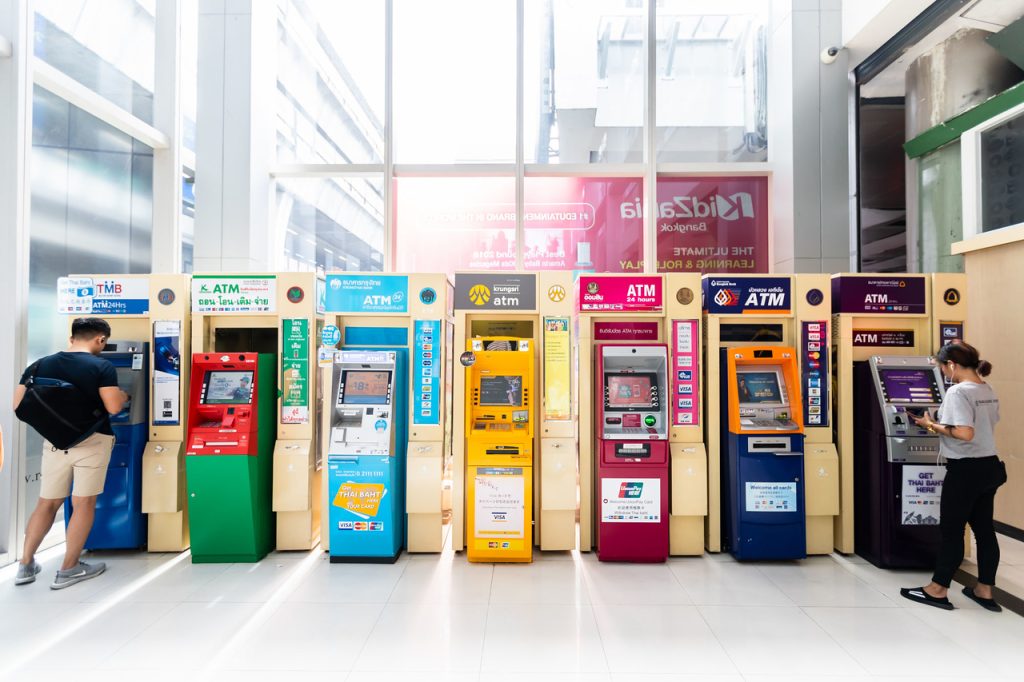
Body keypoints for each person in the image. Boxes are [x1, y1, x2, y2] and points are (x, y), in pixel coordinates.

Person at [12, 317, 126, 589]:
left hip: (55, 443)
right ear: (100, 339)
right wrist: (123, 397)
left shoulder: (39, 364)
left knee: (47, 503)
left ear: (73, 336)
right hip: (91, 442)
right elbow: (112, 408)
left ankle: (26, 564)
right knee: (83, 503)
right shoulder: (101, 366)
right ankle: (69, 567)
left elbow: (17, 405)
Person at [903, 342, 1005, 612]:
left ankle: (937, 590)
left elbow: (964, 432)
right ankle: (984, 590)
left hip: (965, 470)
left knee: (952, 531)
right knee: (984, 531)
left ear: (952, 365)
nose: (945, 373)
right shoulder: (987, 388)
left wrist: (931, 425)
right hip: (989, 466)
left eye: (943, 367)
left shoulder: (959, 391)